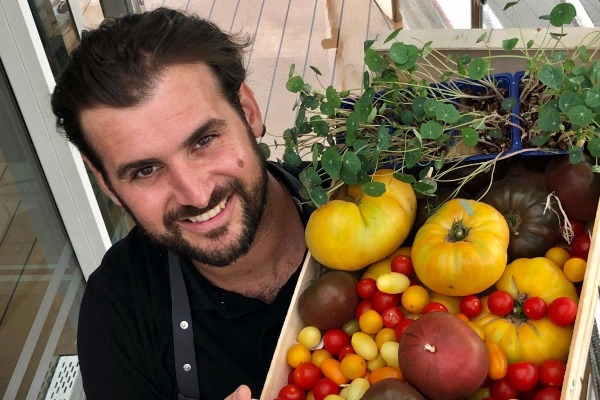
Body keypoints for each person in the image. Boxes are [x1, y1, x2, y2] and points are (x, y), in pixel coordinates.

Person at [51, 7, 311, 400]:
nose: (197, 195)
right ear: (106, 183)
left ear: (248, 111)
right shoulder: (117, 317)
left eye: (204, 141)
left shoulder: (373, 196)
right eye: (145, 170)